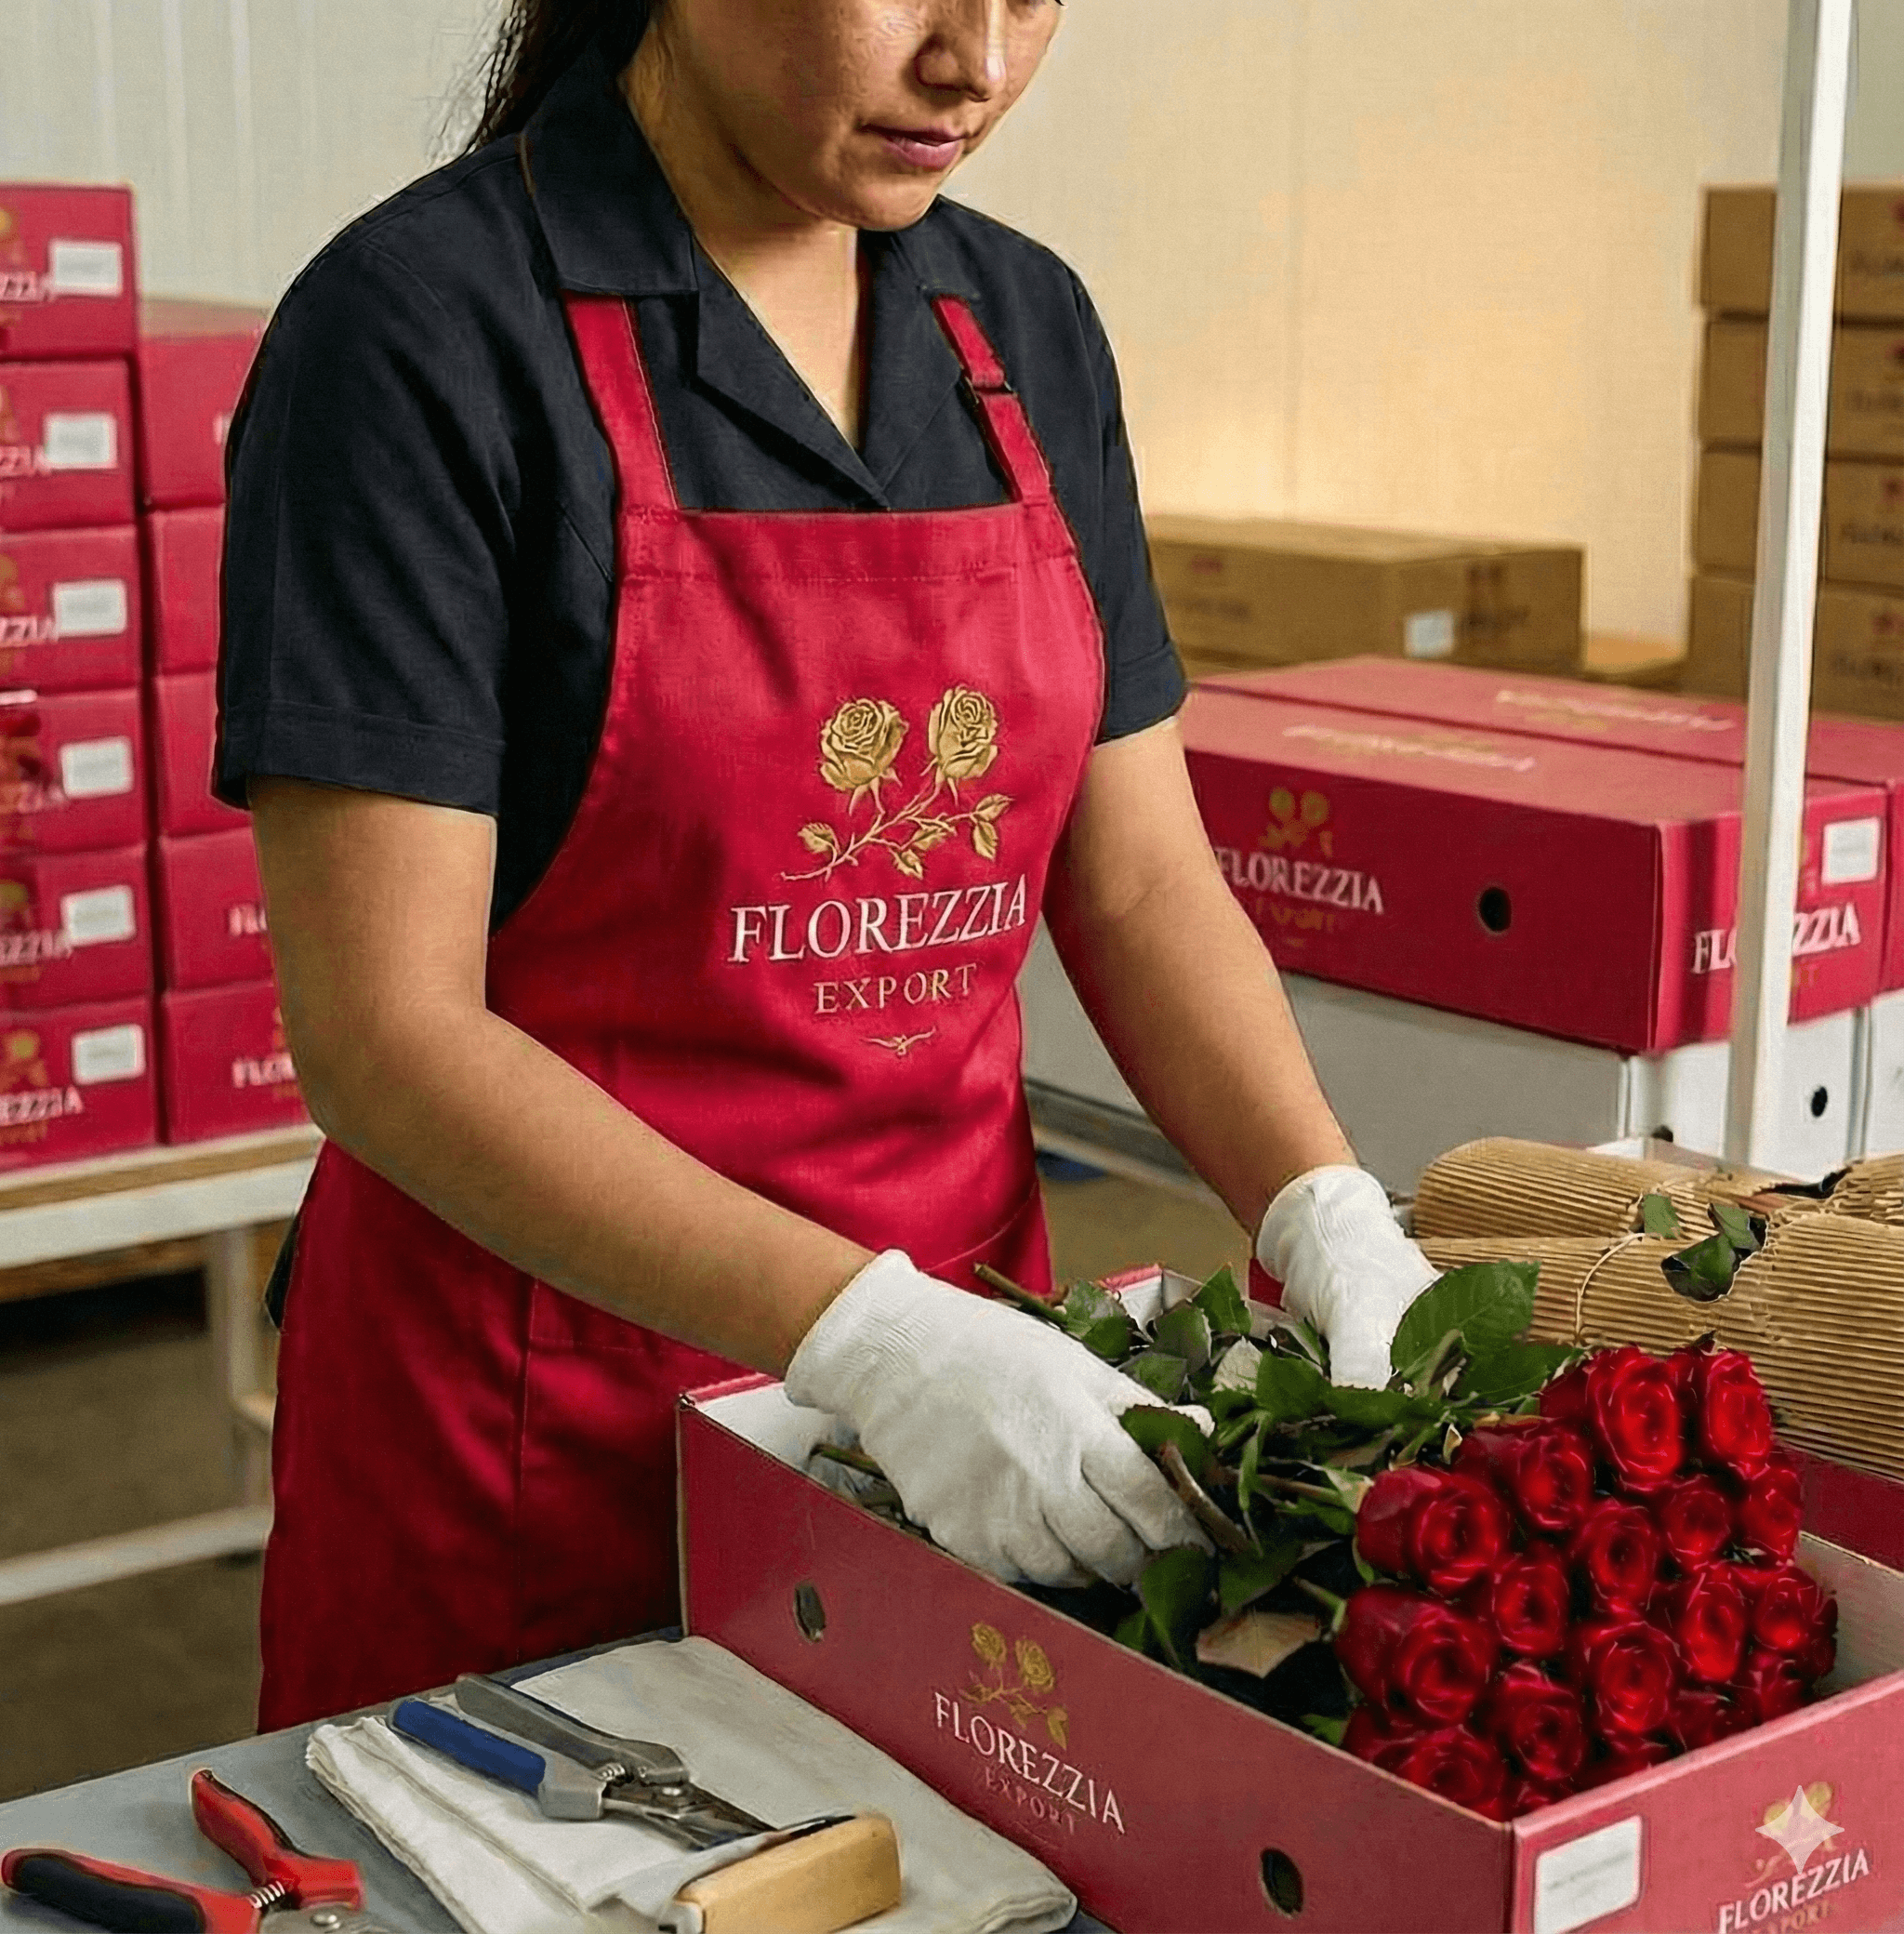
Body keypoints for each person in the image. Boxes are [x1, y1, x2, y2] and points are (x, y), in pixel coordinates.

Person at [220, 0, 1437, 1731]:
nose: (978, 64)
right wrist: (870, 1340)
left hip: (981, 1423)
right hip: (545, 1439)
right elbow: (385, 1034)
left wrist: (1326, 1209)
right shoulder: (423, 335)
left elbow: (1141, 884)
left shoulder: (1021, 328)